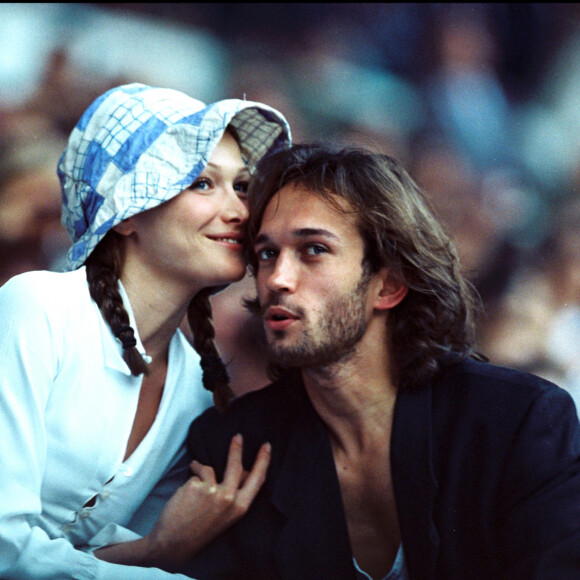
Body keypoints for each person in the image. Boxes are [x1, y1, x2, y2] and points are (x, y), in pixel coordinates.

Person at [180, 143, 580, 579]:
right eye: (267, 253)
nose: (277, 279)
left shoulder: (518, 422)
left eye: (313, 249)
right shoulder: (236, 447)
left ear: (388, 285)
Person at [0, 82, 291, 578]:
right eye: (202, 183)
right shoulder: (37, 308)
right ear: (127, 213)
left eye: (243, 186)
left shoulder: (197, 390)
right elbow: (7, 548)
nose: (240, 210)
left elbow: (78, 563)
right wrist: (162, 560)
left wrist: (159, 549)